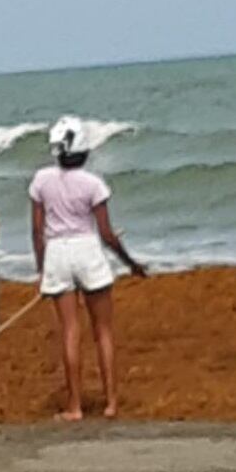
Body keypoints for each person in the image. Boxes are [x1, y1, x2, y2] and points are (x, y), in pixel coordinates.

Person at [29, 116, 147, 421]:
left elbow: (37, 230)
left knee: (70, 331)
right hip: (86, 249)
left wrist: (42, 270)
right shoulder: (93, 184)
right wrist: (131, 263)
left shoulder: (41, 180)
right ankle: (110, 404)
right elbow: (107, 234)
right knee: (103, 331)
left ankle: (75, 406)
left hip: (57, 252)